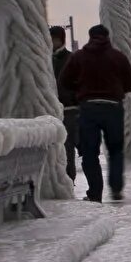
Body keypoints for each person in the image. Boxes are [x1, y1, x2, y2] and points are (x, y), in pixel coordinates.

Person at [58, 23, 131, 203]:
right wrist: (117, 89)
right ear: (107, 37)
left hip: (88, 108)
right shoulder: (118, 57)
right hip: (113, 107)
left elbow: (64, 81)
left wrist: (79, 90)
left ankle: (95, 193)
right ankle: (116, 188)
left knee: (89, 152)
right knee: (116, 150)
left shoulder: (79, 57)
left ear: (90, 36)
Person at [50, 25, 78, 182]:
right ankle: (59, 179)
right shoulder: (46, 58)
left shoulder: (70, 58)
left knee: (67, 147)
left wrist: (74, 100)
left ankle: (69, 179)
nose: (53, 42)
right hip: (52, 109)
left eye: (55, 39)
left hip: (69, 109)